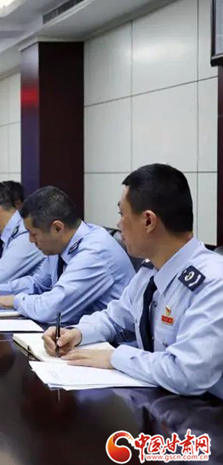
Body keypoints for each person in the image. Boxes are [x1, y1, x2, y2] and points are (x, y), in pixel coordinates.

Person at [43, 164, 223, 399]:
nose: (118, 225)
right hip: (162, 403)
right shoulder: (150, 271)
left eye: (121, 214)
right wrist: (77, 333)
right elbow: (115, 318)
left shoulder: (213, 282)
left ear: (148, 221)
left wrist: (114, 358)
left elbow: (186, 373)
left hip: (205, 413)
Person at [0, 186, 134, 325]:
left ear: (57, 228)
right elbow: (38, 283)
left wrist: (13, 300)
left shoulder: (94, 252)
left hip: (113, 344)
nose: (30, 240)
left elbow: (52, 309)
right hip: (80, 332)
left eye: (33, 234)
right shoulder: (60, 245)